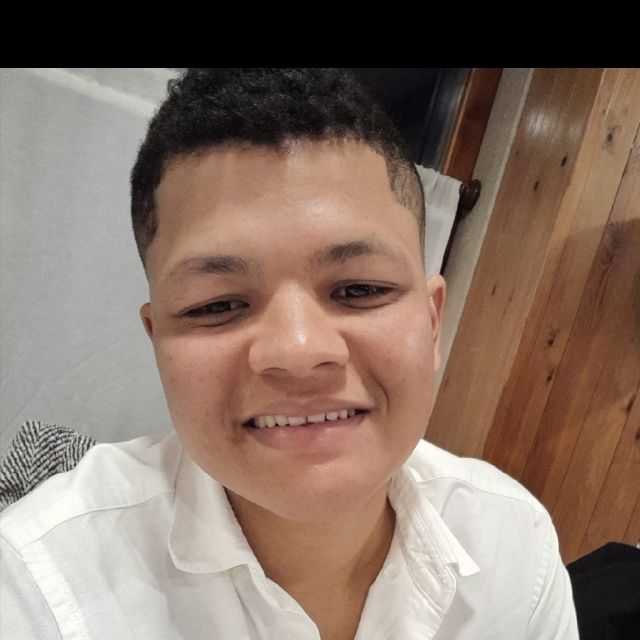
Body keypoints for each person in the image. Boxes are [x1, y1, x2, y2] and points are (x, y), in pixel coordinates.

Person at [0, 68, 579, 639]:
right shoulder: (36, 589)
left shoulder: (512, 546)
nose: (299, 351)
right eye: (218, 305)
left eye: (359, 290)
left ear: (431, 322)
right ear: (157, 343)